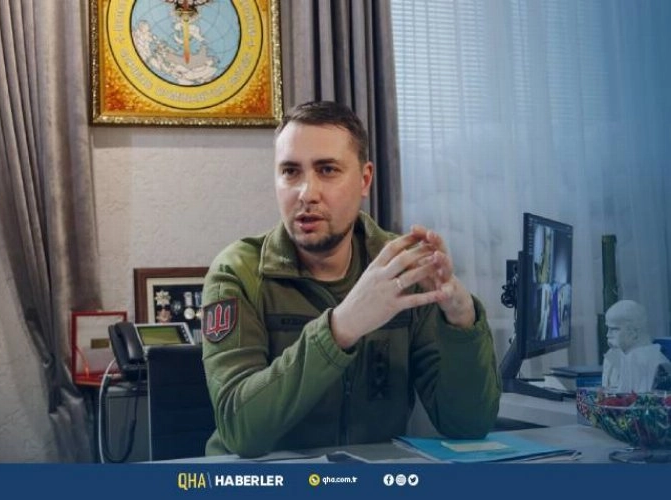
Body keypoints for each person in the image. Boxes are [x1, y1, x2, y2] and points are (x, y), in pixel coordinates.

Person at [200, 101, 501, 457]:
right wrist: (341, 328)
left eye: (327, 170)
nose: (307, 193)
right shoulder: (237, 271)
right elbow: (239, 430)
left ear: (365, 180)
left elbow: (467, 425)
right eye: (290, 171)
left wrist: (462, 322)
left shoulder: (402, 268)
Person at [602, 299, 670, 392]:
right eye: (608, 328)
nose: (608, 334)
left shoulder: (654, 363)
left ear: (634, 331)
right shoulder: (613, 356)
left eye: (614, 329)